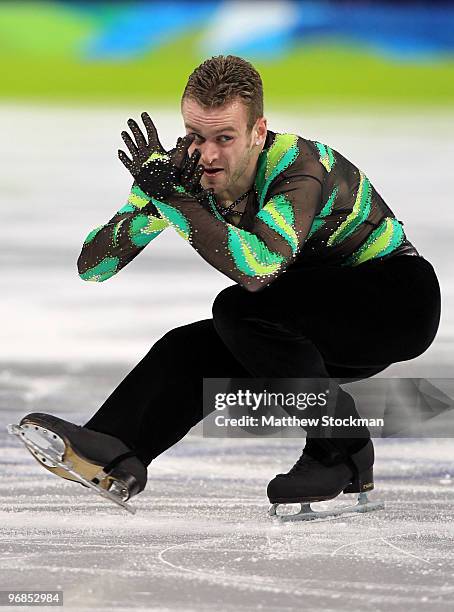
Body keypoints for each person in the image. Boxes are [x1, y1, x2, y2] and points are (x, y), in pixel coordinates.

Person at [15, 55, 441, 517]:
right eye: (196, 136)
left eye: (225, 138)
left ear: (258, 132)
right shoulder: (179, 171)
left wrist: (177, 202)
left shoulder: (300, 167)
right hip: (304, 311)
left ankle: (339, 449)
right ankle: (118, 450)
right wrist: (157, 202)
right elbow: (93, 266)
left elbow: (258, 268)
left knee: (241, 310)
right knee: (191, 348)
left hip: (396, 300)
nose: (208, 154)